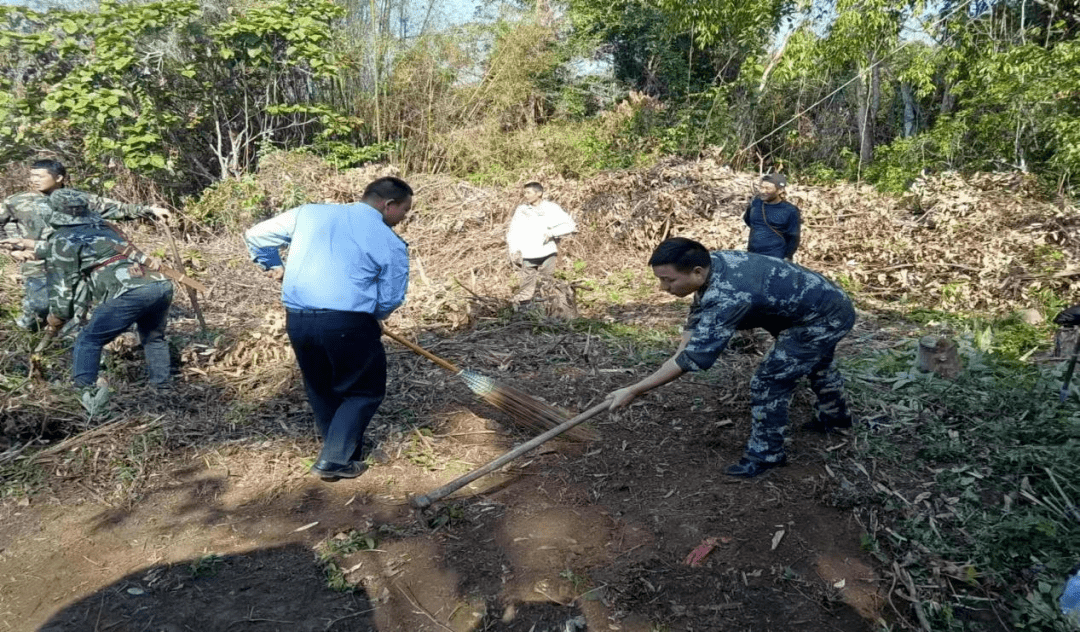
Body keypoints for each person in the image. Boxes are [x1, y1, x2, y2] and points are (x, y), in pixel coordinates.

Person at [606, 237, 855, 478]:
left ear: (696, 272)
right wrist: (679, 353)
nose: (663, 288)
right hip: (813, 307)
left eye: (668, 280)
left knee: (769, 382)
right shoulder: (713, 266)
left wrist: (634, 390)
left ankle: (766, 455)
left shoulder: (729, 296)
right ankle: (835, 417)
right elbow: (696, 317)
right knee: (817, 363)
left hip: (822, 318)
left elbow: (694, 360)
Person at [244, 177, 413, 481]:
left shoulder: (308, 213)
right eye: (404, 211)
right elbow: (391, 295)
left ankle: (342, 451)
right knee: (363, 390)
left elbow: (256, 235)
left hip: (298, 319)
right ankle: (334, 460)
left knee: (320, 386)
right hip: (347, 322)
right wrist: (376, 315)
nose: (403, 219)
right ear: (388, 205)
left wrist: (273, 265)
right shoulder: (387, 240)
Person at [0, 159, 170, 330]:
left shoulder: (77, 199)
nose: (34, 179)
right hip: (38, 263)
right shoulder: (16, 201)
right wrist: (13, 250)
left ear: (59, 178)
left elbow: (114, 208)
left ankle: (68, 345)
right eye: (32, 176)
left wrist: (150, 210)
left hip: (76, 263)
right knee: (39, 307)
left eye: (39, 176)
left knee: (73, 310)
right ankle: (23, 335)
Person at [32, 189, 173, 388]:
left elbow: (64, 286)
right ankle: (162, 387)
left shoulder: (63, 239)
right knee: (153, 338)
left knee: (88, 339)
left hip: (130, 292)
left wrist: (57, 315)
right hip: (160, 283)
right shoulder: (106, 227)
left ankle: (84, 390)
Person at [506, 181, 576, 304]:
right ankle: (524, 310)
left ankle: (546, 307)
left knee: (546, 282)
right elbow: (513, 230)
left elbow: (570, 225)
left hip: (547, 252)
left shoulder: (551, 208)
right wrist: (513, 250)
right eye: (524, 193)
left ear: (539, 193)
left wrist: (552, 233)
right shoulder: (522, 209)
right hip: (527, 253)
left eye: (528, 192)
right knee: (527, 283)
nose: (526, 195)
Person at [743, 173, 801, 260]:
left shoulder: (790, 210)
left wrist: (787, 257)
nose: (763, 191)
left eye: (767, 188)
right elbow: (748, 220)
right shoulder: (755, 203)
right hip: (752, 255)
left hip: (775, 258)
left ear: (780, 190)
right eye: (761, 187)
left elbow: (794, 237)